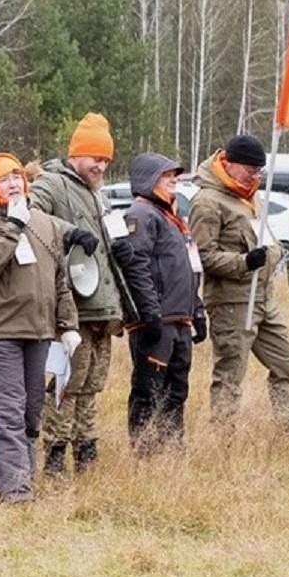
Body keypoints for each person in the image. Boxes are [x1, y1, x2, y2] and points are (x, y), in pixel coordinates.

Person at [0, 153, 79, 502]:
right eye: (4, 179)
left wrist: (68, 325)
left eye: (17, 176)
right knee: (9, 412)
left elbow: (59, 279)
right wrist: (13, 225)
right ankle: (15, 492)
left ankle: (21, 480)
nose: (13, 183)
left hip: (39, 331)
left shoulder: (43, 222)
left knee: (31, 413)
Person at [31, 112, 127, 475]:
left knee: (90, 385)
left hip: (100, 308)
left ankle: (86, 452)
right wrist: (69, 232)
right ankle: (55, 458)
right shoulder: (52, 184)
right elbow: (29, 215)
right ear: (75, 155)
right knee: (65, 384)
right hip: (71, 308)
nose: (101, 166)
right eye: (95, 158)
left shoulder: (96, 193)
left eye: (106, 160)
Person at [189, 135, 289, 432]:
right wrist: (244, 262)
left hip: (263, 298)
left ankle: (288, 434)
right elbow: (203, 257)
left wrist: (274, 253)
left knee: (286, 365)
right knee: (230, 374)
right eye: (250, 169)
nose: (255, 176)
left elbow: (267, 240)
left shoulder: (251, 197)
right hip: (231, 302)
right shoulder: (207, 201)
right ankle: (223, 440)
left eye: (259, 171)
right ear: (229, 163)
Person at [111, 153, 205, 454]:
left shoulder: (173, 217)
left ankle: (172, 452)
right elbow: (136, 266)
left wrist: (197, 309)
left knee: (177, 391)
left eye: (174, 175)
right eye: (167, 175)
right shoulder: (142, 214)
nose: (173, 180)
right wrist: (148, 312)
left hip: (179, 319)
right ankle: (145, 453)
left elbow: (188, 269)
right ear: (148, 179)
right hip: (157, 321)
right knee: (149, 390)